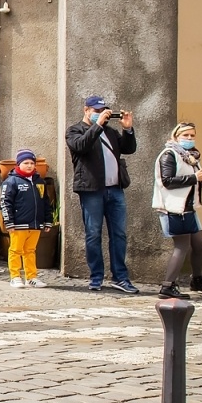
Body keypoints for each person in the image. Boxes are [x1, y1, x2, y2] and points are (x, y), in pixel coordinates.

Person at [66, 96, 139, 293]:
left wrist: (128, 129)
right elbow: (81, 146)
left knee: (119, 234)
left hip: (115, 189)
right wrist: (97, 125)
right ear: (86, 110)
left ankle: (120, 277)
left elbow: (129, 148)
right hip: (91, 191)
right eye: (96, 110)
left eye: (103, 110)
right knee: (93, 234)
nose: (100, 113)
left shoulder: (111, 132)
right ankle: (96, 276)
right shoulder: (75, 130)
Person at [153, 123, 202, 299]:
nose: (190, 139)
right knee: (182, 246)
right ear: (176, 136)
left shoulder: (190, 156)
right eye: (186, 135)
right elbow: (168, 180)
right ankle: (167, 286)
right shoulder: (169, 154)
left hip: (189, 207)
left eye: (192, 135)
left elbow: (195, 180)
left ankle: (197, 280)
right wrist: (195, 177)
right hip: (174, 208)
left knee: (199, 244)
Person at [0, 149, 53, 289]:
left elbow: (45, 202)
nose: (29, 165)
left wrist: (48, 220)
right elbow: (5, 203)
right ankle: (15, 276)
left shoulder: (39, 181)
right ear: (18, 164)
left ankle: (31, 277)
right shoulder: (11, 182)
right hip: (18, 224)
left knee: (30, 251)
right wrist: (9, 221)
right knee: (15, 250)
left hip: (35, 224)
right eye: (25, 163)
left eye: (31, 163)